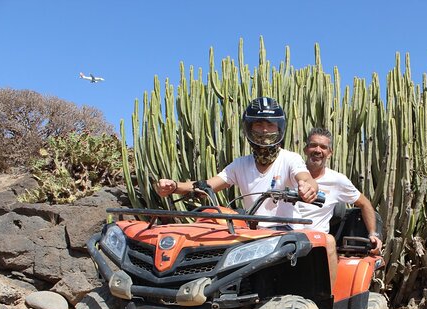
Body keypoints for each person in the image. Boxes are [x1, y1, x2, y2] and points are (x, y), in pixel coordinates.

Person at [156, 97, 318, 225]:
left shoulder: (290, 159)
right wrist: (174, 186)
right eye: (258, 124)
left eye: (270, 124)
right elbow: (206, 186)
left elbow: (305, 178)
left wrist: (308, 187)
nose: (264, 130)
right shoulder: (240, 165)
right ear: (249, 128)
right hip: (252, 232)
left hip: (287, 229)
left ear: (279, 128)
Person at [297, 127, 383, 292]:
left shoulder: (337, 180)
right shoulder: (291, 173)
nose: (317, 150)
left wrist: (373, 233)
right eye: (313, 145)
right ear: (305, 149)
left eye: (323, 147)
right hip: (284, 236)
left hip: (316, 244)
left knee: (328, 244)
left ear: (330, 153)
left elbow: (364, 204)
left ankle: (327, 306)